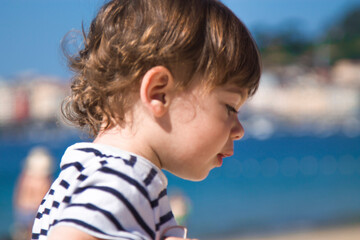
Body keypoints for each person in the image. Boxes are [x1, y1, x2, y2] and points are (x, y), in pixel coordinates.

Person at [31, 0, 261, 239]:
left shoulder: (87, 173)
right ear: (158, 94)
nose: (239, 130)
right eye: (229, 107)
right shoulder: (122, 179)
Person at [13, 147, 53, 240]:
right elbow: (45, 200)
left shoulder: (24, 178)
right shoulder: (44, 180)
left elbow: (17, 198)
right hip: (36, 212)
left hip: (23, 211)